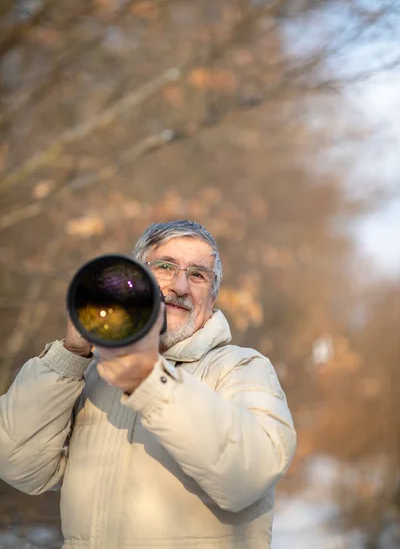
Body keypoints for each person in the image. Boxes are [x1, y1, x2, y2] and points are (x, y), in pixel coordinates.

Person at [0, 220, 296, 549]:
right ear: (132, 282)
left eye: (198, 275)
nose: (180, 286)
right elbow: (18, 465)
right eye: (166, 267)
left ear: (212, 298)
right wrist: (70, 356)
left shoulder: (242, 368)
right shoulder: (95, 373)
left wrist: (150, 381)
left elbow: (248, 476)